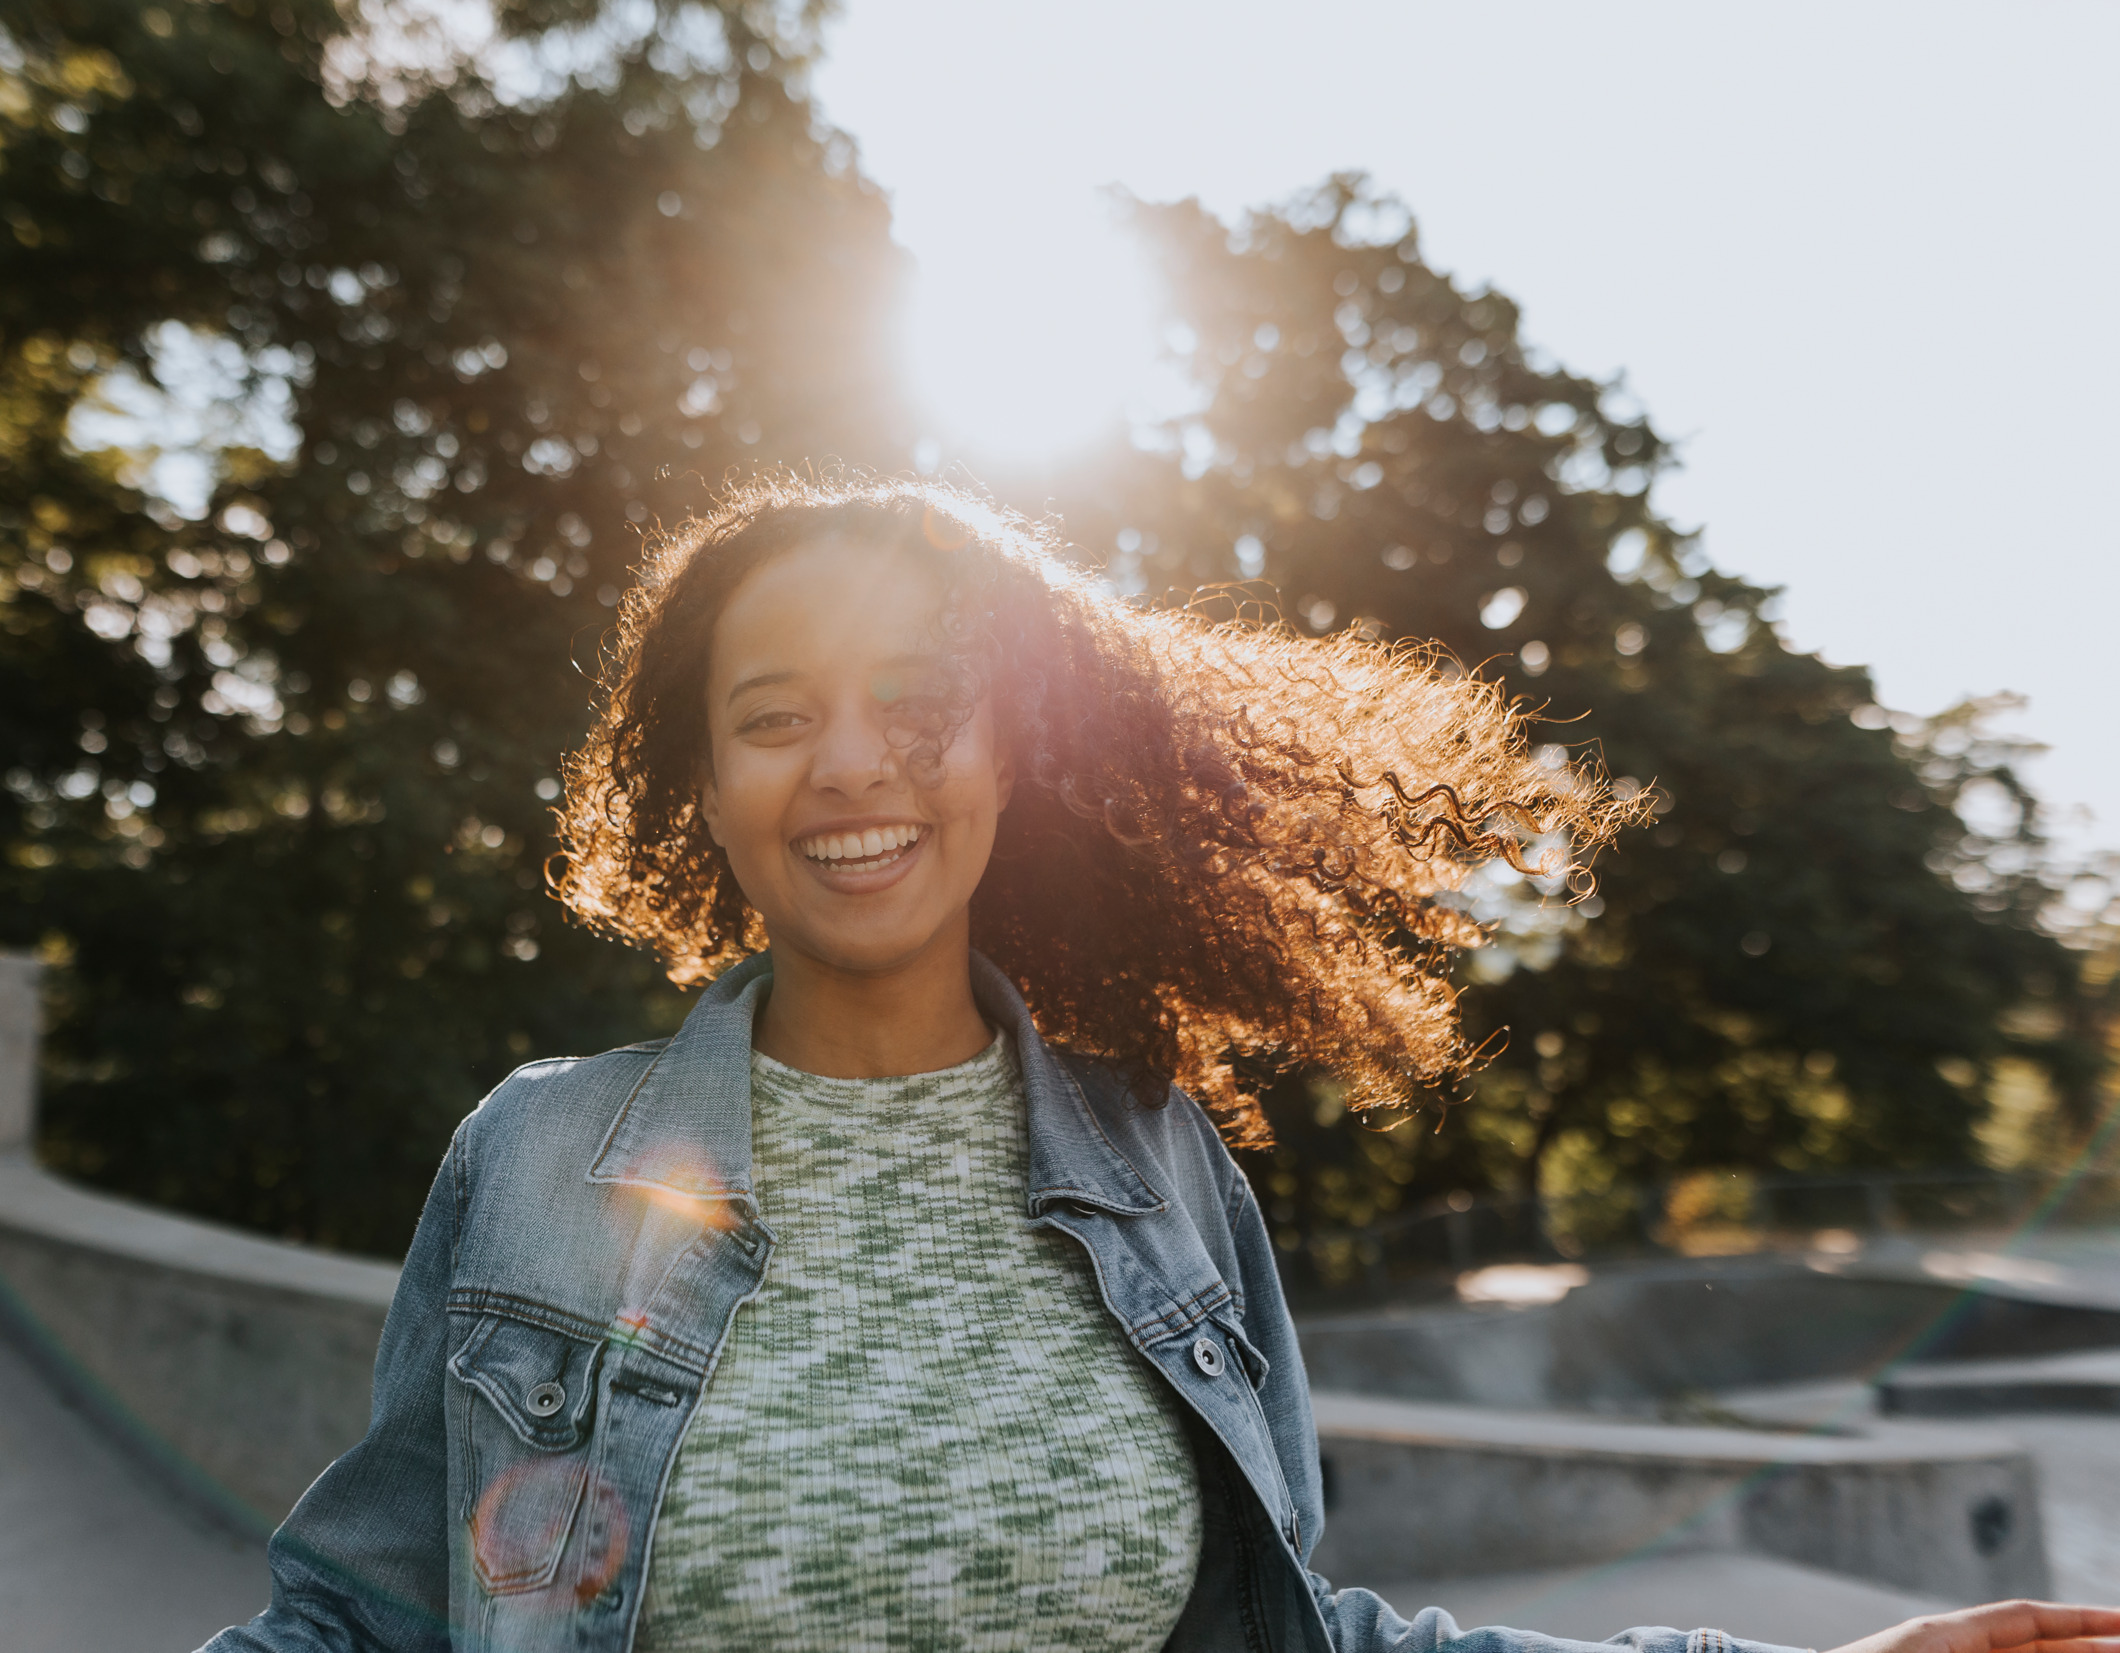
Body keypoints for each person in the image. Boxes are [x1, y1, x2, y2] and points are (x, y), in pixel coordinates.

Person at [200, 475, 2120, 1653]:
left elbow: (1312, 1640)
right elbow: (361, 1626)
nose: (853, 765)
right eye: (774, 717)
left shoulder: (1159, 1170)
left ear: (1008, 753)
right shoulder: (539, 1160)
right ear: (703, 786)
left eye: (918, 703)